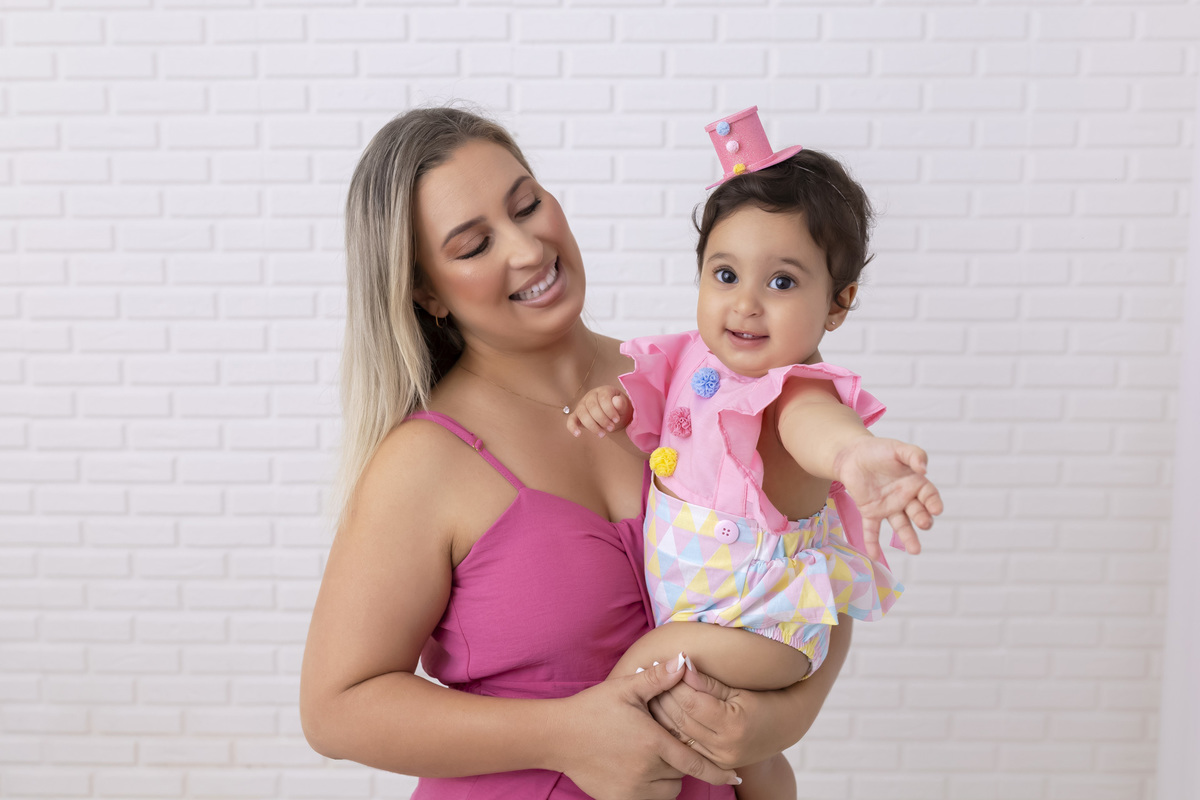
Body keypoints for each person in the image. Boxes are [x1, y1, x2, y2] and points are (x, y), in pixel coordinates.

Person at [299, 105, 858, 800]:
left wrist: (785, 715)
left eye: (527, 205)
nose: (528, 249)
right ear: (425, 292)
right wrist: (565, 734)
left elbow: (807, 569)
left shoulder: (689, 389)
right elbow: (335, 710)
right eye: (474, 246)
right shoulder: (426, 462)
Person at [566, 107, 944, 800]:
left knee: (644, 677)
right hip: (709, 612)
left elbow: (817, 427)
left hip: (764, 625)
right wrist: (613, 405)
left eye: (782, 282)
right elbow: (659, 411)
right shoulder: (688, 358)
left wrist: (856, 455)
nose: (745, 304)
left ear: (838, 304)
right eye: (726, 274)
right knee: (747, 760)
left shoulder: (792, 391)